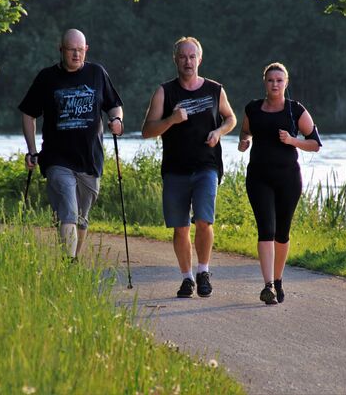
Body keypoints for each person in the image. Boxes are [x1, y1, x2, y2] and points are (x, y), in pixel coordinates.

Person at [142, 36, 237, 298]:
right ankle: (186, 278)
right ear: (175, 59)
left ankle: (203, 271)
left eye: (192, 56)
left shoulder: (214, 89)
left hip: (207, 165)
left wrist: (219, 131)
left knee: (204, 221)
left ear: (200, 59)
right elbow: (147, 130)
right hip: (175, 169)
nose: (188, 61)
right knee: (180, 227)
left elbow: (230, 118)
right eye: (183, 56)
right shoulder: (165, 92)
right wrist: (171, 119)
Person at [19, 28, 124, 261]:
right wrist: (32, 150)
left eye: (80, 50)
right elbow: (28, 113)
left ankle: (73, 264)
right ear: (61, 50)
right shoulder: (47, 78)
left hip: (90, 159)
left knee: (82, 218)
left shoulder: (97, 73)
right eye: (71, 50)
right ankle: (68, 262)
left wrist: (116, 120)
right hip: (57, 159)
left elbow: (114, 104)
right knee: (69, 209)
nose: (76, 55)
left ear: (86, 49)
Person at [238, 62, 322, 305]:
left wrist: (292, 141)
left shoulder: (295, 110)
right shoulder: (253, 109)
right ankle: (267, 287)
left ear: (286, 83)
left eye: (279, 80)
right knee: (266, 229)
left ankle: (278, 280)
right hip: (258, 177)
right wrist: (244, 142)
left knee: (282, 233)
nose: (275, 84)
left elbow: (315, 144)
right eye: (270, 80)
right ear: (264, 82)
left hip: (288, 179)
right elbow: (245, 132)